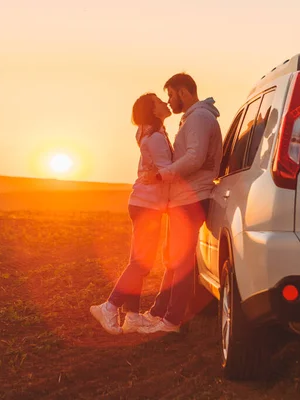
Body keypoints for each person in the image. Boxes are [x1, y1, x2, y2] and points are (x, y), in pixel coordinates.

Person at [138, 73, 222, 334]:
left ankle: (172, 320)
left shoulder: (198, 118)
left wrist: (163, 174)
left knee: (182, 261)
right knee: (174, 258)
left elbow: (195, 158)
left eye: (171, 95)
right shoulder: (194, 118)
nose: (169, 101)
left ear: (184, 92)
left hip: (193, 197)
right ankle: (159, 312)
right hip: (187, 197)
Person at [90, 93, 174, 335]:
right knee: (141, 263)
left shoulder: (149, 132)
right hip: (148, 205)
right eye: (160, 101)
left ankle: (133, 316)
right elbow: (167, 171)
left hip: (144, 203)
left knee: (139, 262)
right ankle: (109, 306)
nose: (166, 103)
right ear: (152, 110)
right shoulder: (155, 137)